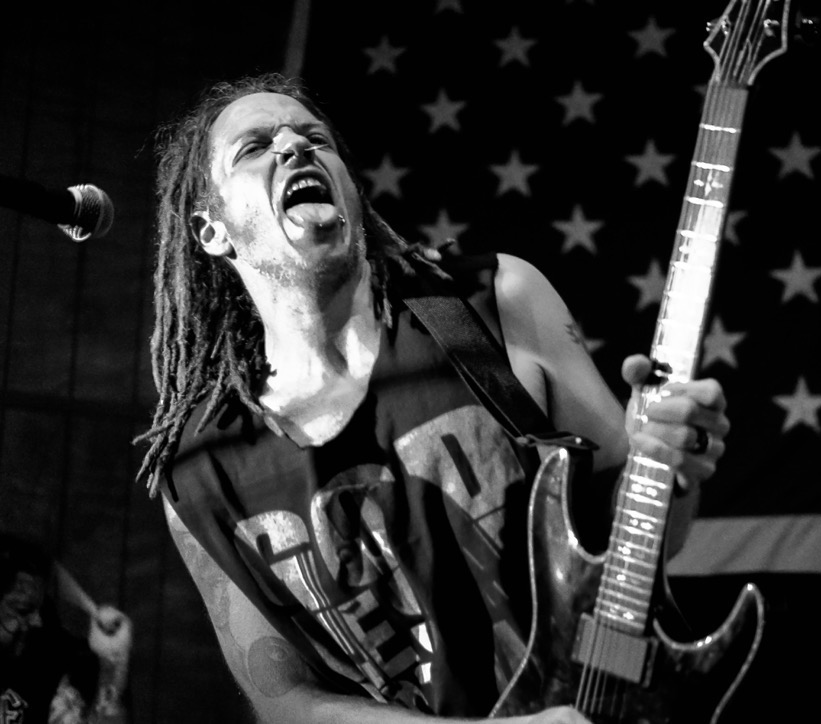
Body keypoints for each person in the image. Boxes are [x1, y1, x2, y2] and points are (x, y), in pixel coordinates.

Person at [138, 73, 729, 723]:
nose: (293, 147)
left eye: (314, 138)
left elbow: (643, 549)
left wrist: (668, 468)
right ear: (212, 231)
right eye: (254, 147)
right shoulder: (201, 470)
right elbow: (285, 702)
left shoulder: (493, 304)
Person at [0, 534, 132, 724]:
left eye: (39, 609)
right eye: (22, 610)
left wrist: (113, 667)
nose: (36, 621)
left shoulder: (52, 659)